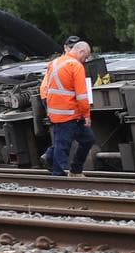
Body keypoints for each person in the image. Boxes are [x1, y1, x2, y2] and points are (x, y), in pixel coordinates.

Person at [45, 41, 95, 176]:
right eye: (86, 56)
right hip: (68, 113)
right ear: (81, 52)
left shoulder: (55, 63)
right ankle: (58, 177)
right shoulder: (76, 66)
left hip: (59, 113)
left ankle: (73, 169)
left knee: (87, 139)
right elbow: (82, 96)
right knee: (62, 146)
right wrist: (87, 115)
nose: (86, 60)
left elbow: (45, 88)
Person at [40, 36, 82, 166]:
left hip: (53, 99)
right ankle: (55, 162)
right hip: (53, 100)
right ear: (65, 48)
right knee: (65, 133)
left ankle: (50, 156)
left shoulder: (64, 61)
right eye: (70, 48)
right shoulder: (65, 63)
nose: (72, 50)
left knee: (65, 133)